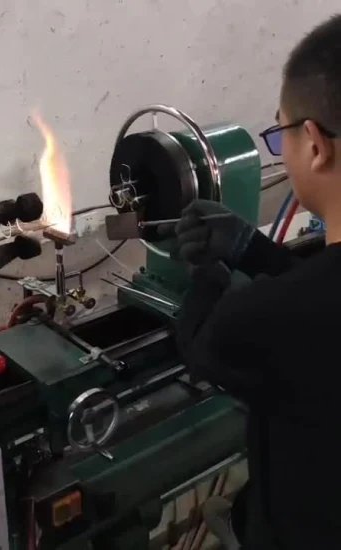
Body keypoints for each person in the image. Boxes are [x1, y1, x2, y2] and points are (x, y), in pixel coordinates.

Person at [166, 15, 341, 550]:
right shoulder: (305, 305)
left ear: (313, 143)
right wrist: (252, 249)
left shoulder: (266, 318)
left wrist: (206, 271)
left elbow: (201, 344)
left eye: (279, 131)